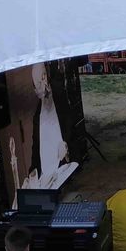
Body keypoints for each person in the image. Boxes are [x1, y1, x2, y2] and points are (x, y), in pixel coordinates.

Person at [23, 62, 77, 190]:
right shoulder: (38, 116)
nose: (42, 86)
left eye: (43, 78)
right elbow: (36, 146)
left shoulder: (59, 100)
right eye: (37, 84)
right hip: (46, 169)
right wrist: (32, 171)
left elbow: (70, 127)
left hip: (62, 163)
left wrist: (66, 147)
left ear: (47, 77)